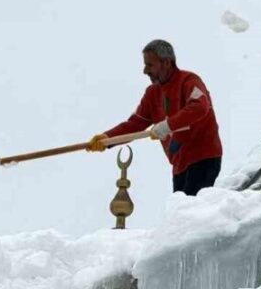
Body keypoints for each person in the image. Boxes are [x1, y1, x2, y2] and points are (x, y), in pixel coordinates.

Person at [87, 40, 223, 196]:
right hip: (179, 164)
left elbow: (199, 107)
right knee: (181, 214)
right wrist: (106, 139)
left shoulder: (189, 81)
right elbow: (134, 124)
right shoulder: (152, 94)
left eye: (150, 65)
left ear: (166, 63)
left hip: (203, 158)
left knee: (191, 213)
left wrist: (166, 126)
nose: (145, 70)